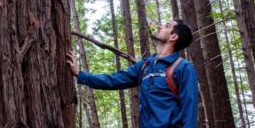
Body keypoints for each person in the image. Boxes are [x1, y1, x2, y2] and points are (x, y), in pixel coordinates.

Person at [66, 19, 198, 128]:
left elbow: (190, 111)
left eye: (167, 26)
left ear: (174, 36)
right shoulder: (145, 65)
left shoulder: (183, 68)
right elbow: (115, 79)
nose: (160, 26)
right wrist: (81, 75)